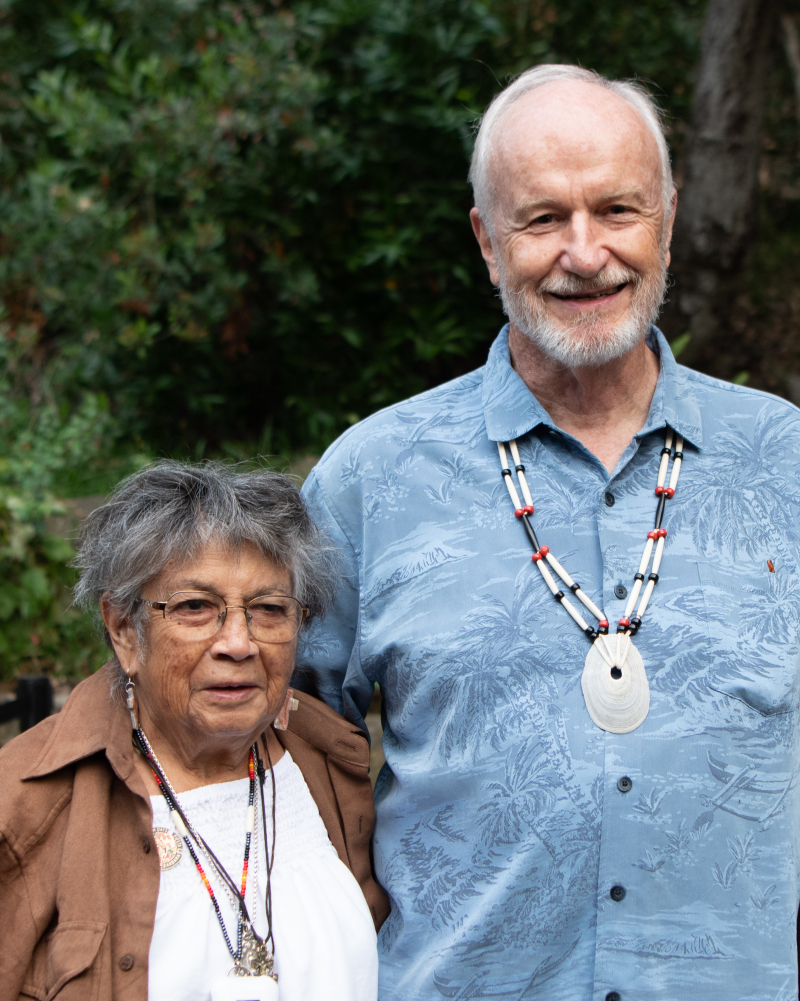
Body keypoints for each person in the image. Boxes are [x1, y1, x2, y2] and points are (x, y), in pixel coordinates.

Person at [296, 64, 800, 1000]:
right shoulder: (371, 479)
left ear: (669, 221)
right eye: (542, 219)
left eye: (617, 210)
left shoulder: (786, 462)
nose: (585, 251)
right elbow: (272, 750)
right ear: (488, 241)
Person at [0, 462, 388, 1001]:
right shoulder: (25, 803)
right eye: (195, 607)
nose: (238, 642)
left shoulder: (328, 758)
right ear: (123, 630)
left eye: (269, 609)